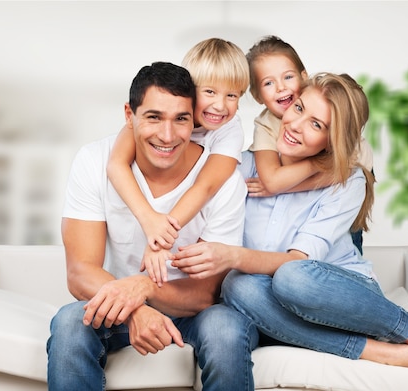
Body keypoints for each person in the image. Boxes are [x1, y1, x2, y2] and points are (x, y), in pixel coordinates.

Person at [172, 72, 408, 391]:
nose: (296, 125)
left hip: (337, 297)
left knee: (292, 276)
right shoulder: (241, 166)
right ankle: (384, 354)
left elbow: (296, 261)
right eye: (298, 108)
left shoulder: (346, 181)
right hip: (267, 306)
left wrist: (233, 255)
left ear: (333, 139)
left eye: (317, 125)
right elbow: (181, 150)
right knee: (237, 287)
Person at [46, 61, 258, 391]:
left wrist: (145, 288)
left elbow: (206, 293)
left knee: (226, 328)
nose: (167, 135)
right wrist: (135, 310)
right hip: (118, 303)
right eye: (154, 117)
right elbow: (80, 271)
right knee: (71, 322)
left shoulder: (224, 181)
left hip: (192, 312)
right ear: (129, 116)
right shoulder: (94, 160)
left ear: (195, 119)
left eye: (181, 119)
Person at [106, 38, 249, 286]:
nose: (220, 105)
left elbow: (205, 186)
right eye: (210, 92)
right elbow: (116, 165)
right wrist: (149, 220)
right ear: (190, 91)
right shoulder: (156, 112)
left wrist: (161, 239)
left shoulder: (230, 130)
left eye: (232, 95)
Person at [245, 35, 373, 253]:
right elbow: (273, 181)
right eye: (268, 83)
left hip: (340, 202)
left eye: (288, 77)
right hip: (301, 201)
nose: (281, 88)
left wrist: (317, 166)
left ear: (304, 78)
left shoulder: (340, 125)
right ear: (257, 96)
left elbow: (348, 174)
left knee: (346, 240)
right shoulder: (266, 124)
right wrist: (319, 164)